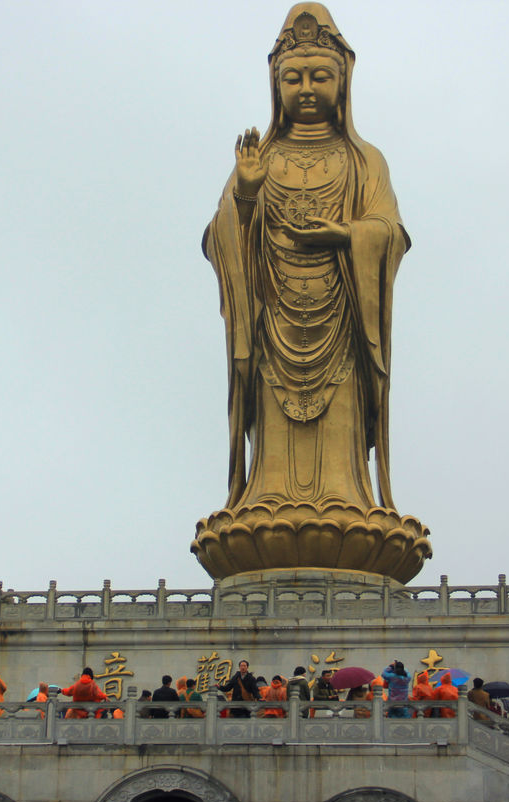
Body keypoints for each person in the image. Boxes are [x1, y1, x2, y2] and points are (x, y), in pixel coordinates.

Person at [202, 2, 411, 537]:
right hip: (273, 320)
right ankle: (263, 494)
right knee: (273, 423)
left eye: (321, 76)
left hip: (342, 316)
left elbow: (389, 231)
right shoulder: (260, 156)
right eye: (292, 78)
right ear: (275, 86)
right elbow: (220, 238)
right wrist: (246, 190)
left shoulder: (364, 160)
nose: (307, 88)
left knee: (338, 432)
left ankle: (346, 495)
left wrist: (347, 234)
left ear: (343, 83)